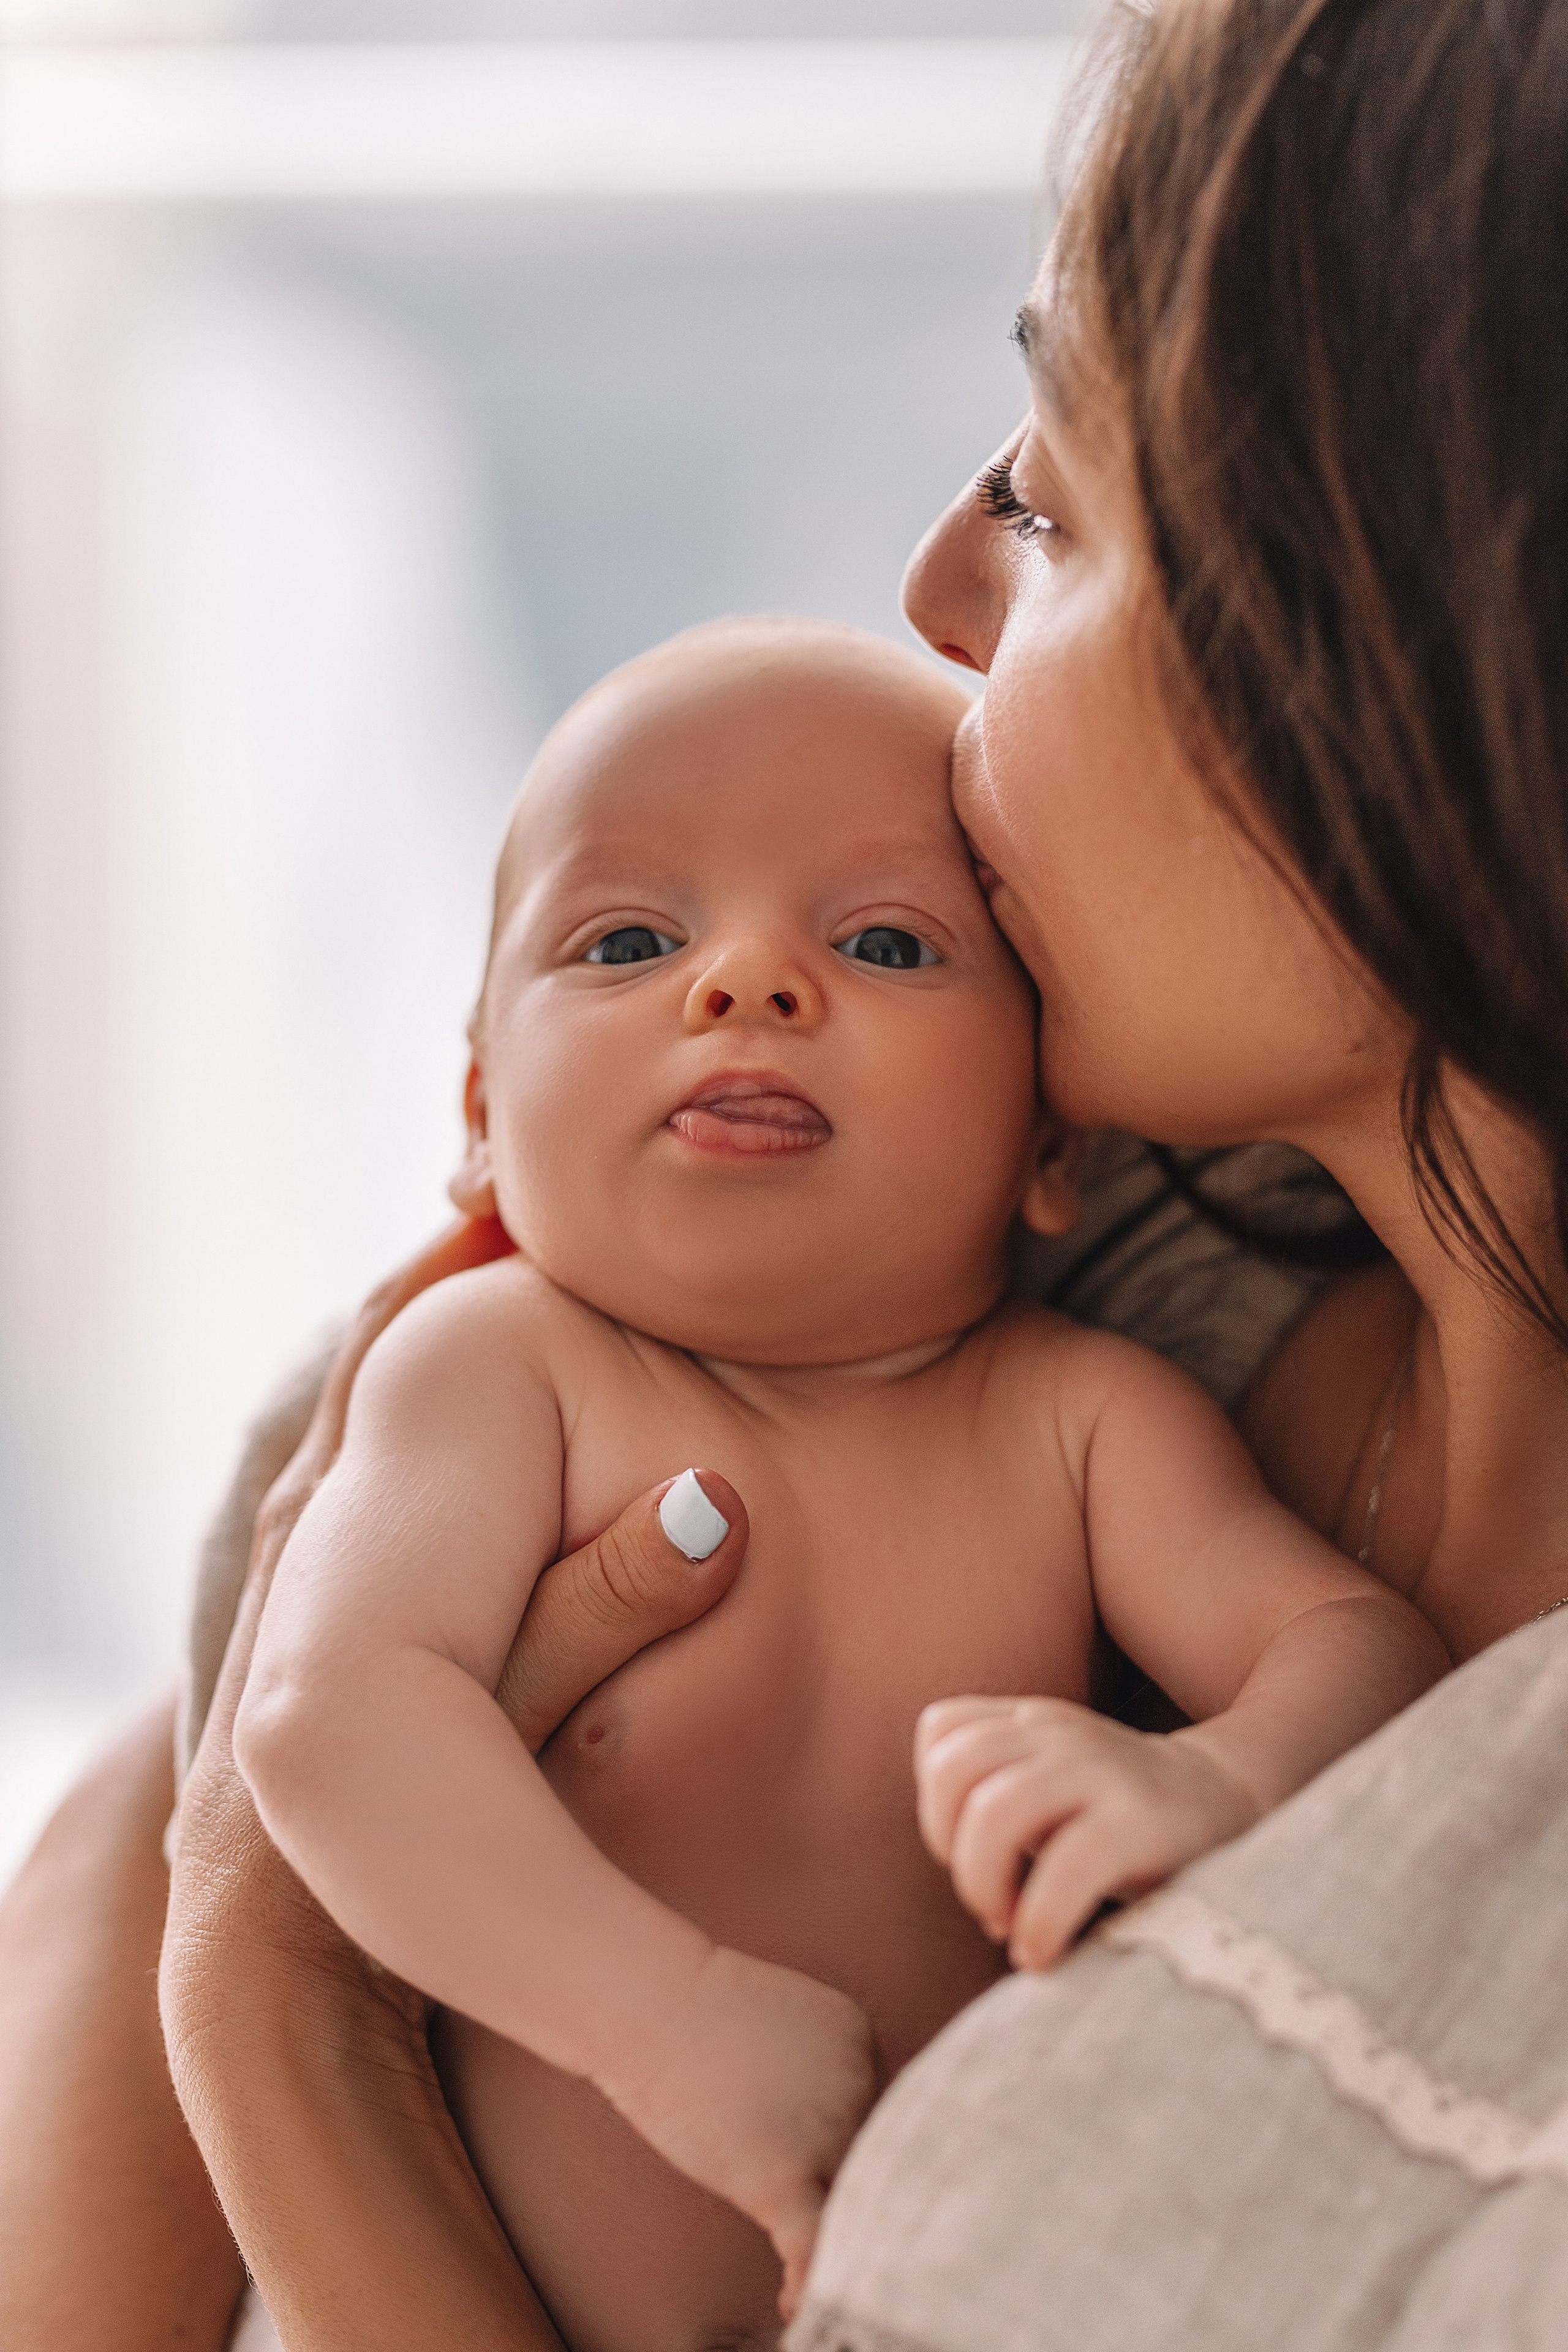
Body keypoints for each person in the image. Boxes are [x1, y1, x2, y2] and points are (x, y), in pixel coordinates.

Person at [4, 0, 1564, 2340]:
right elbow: (191, 1798)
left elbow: (223, 1907)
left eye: (1055, 495)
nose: (940, 593)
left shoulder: (1083, 1407)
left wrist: (284, 2030)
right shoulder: (1131, 1270)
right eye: (631, 939)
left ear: (1421, 642)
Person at [227, 615, 1440, 2345]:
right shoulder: (500, 1367)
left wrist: (1223, 1786)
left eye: (884, 941)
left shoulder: (1081, 1418)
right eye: (631, 937)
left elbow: (1355, 1639)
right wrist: (665, 2021)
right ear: (484, 1114)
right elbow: (328, 1718)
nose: (747, 981)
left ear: (1047, 1145)